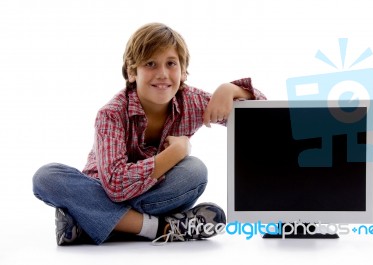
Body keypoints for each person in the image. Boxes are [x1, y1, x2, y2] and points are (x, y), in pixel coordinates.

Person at [32, 22, 267, 246]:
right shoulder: (111, 114)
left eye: (171, 64)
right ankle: (160, 228)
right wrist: (176, 152)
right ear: (132, 73)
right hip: (102, 191)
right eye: (151, 64)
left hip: (150, 195)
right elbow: (114, 185)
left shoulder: (192, 102)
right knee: (47, 177)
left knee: (195, 171)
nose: (163, 73)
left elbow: (263, 119)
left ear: (184, 72)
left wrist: (232, 89)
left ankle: (93, 220)